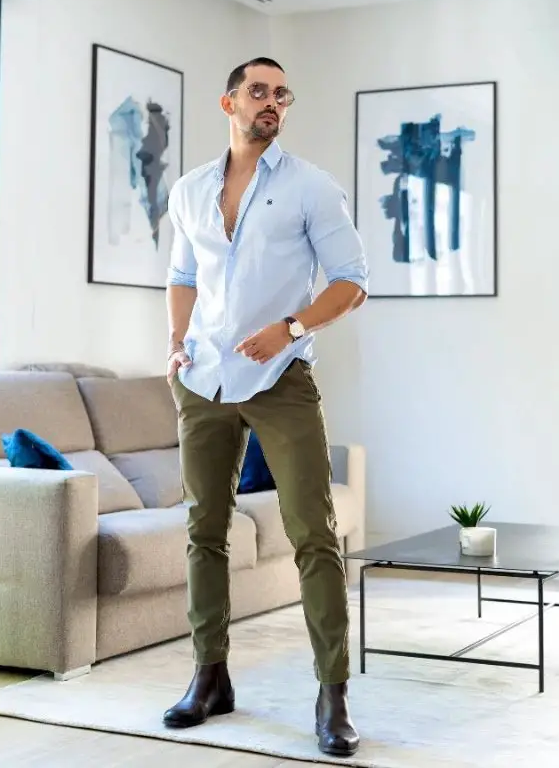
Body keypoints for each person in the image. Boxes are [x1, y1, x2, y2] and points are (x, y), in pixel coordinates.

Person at [162, 56, 369, 758]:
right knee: (204, 528)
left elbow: (350, 283)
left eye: (282, 93)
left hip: (281, 378)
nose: (272, 102)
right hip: (203, 379)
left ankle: (331, 693)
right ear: (229, 102)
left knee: (313, 531)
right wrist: (175, 344)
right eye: (258, 91)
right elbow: (182, 274)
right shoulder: (189, 189)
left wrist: (290, 328)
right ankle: (210, 677)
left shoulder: (311, 187)